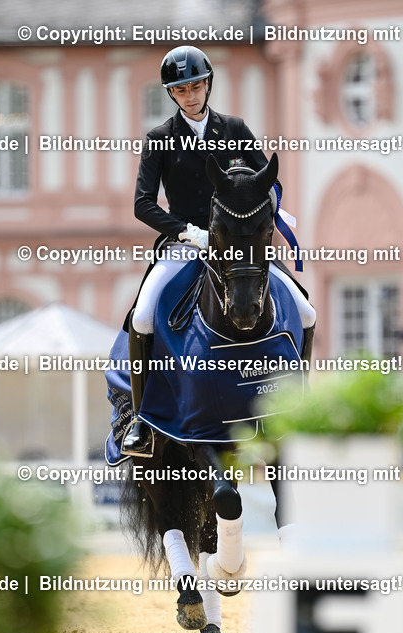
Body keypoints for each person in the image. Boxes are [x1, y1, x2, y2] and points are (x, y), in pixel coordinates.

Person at [123, 45, 315, 457]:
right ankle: (141, 420)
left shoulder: (234, 128)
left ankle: (304, 400)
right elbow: (143, 203)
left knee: (305, 310)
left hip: (239, 245)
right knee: (142, 316)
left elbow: (268, 181)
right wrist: (187, 232)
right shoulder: (159, 139)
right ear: (171, 94)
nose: (190, 95)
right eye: (181, 90)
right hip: (185, 244)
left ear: (208, 84)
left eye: (196, 86)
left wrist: (269, 214)